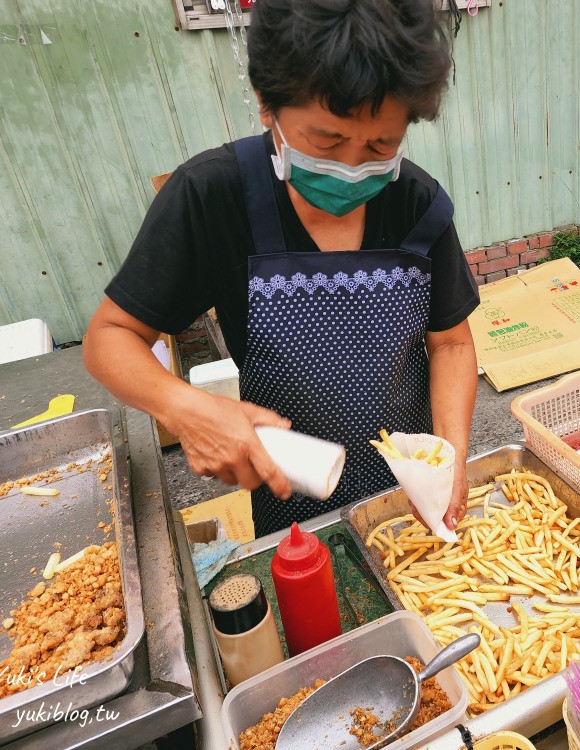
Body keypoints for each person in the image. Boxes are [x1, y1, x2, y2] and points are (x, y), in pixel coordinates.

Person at [83, 0, 479, 537]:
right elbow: (112, 335)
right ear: (268, 103)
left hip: (406, 498)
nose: (352, 167)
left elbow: (452, 342)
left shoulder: (417, 201)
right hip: (290, 505)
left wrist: (449, 456)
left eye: (382, 144)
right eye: (328, 140)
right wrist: (186, 409)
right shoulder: (212, 195)